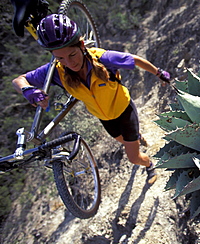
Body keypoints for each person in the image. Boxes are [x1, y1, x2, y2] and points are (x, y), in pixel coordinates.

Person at [12, 14, 170, 184]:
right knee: (122, 140)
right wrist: (27, 90)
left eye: (72, 55)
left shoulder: (102, 58)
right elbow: (18, 80)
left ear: (81, 45)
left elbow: (136, 60)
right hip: (104, 117)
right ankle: (137, 137)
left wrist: (159, 73)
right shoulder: (56, 71)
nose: (68, 62)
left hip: (124, 110)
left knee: (133, 157)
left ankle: (149, 165)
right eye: (60, 58)